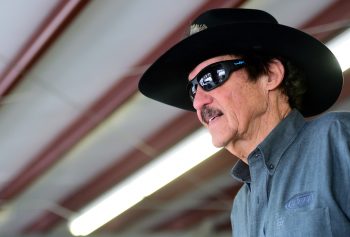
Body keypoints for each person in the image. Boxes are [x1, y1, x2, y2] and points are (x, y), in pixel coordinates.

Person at [138, 8, 350, 237]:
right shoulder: (241, 207)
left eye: (211, 77)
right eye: (192, 89)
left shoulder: (338, 139)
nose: (198, 102)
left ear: (270, 75)